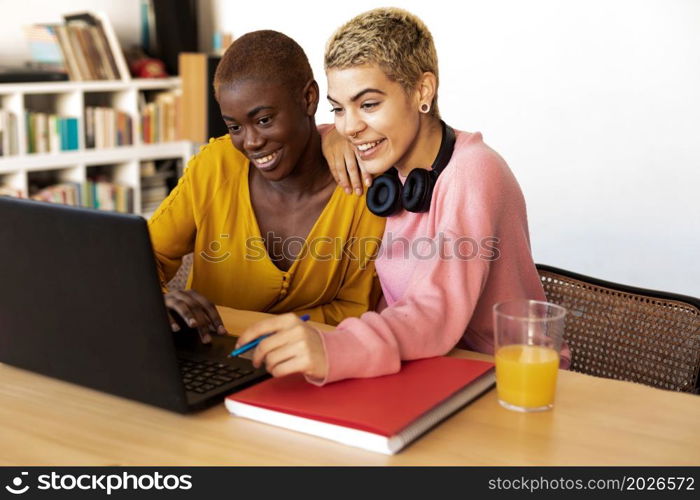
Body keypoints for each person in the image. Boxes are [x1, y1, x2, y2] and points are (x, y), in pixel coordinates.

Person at [236, 8, 570, 382]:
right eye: (339, 108)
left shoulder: (473, 171)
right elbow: (320, 133)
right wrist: (329, 136)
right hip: (425, 366)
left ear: (422, 91)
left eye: (368, 104)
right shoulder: (389, 167)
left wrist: (334, 348)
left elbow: (435, 308)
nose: (351, 126)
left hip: (504, 377)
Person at [148, 30, 385, 343]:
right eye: (234, 127)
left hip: (309, 358)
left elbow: (355, 308)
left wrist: (265, 330)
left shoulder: (362, 187)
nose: (251, 142)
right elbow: (146, 256)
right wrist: (157, 301)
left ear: (308, 99)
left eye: (263, 120)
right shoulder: (216, 166)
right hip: (208, 351)